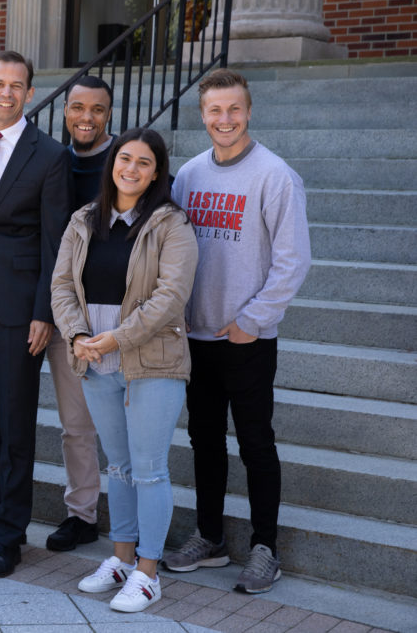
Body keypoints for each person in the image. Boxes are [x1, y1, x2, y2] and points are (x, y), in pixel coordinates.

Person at [164, 68, 311, 594]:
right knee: (204, 441)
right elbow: (172, 253)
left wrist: (251, 322)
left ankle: (264, 548)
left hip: (246, 339)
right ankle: (210, 536)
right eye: (214, 111)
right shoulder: (189, 175)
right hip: (196, 338)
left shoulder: (275, 175)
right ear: (202, 115)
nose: (224, 120)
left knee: (255, 444)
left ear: (248, 111)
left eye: (233, 109)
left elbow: (293, 261)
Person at [51, 127, 198, 612]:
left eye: (144, 163)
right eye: (124, 159)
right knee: (119, 465)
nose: (131, 169)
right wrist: (75, 335)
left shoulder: (170, 224)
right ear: (112, 162)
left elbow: (170, 297)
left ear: (157, 173)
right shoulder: (83, 220)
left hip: (150, 357)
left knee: (150, 470)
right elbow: (62, 286)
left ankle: (148, 572)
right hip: (94, 356)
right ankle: (120, 558)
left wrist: (117, 337)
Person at [0, 51, 73, 578]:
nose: (6, 93)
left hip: (21, 307)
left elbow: (56, 242)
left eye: (16, 85)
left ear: (29, 93)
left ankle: (10, 537)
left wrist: (44, 311)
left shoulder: (50, 155)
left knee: (15, 421)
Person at [44, 75, 115, 551]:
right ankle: (82, 514)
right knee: (75, 425)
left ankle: (114, 522)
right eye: (77, 107)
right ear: (65, 110)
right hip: (59, 308)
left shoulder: (126, 160)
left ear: (109, 113)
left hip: (113, 313)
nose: (86, 118)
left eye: (97, 109)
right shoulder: (52, 160)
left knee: (114, 427)